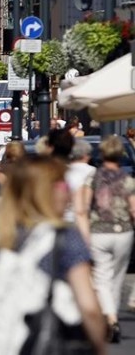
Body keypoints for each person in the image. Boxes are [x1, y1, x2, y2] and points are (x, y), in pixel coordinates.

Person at [0, 155, 106, 355]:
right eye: (63, 186)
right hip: (47, 343)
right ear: (46, 192)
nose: (69, 194)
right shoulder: (65, 240)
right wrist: (100, 347)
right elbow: (89, 308)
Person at [74, 135, 135, 343]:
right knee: (117, 277)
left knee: (101, 278)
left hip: (99, 231)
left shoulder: (93, 178)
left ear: (101, 154)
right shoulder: (128, 180)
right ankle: (112, 314)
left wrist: (84, 235)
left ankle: (110, 318)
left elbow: (82, 209)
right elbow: (134, 209)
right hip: (124, 232)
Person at [64, 139, 94, 224]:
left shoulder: (62, 170)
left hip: (64, 216)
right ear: (86, 155)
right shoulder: (92, 171)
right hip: (84, 217)